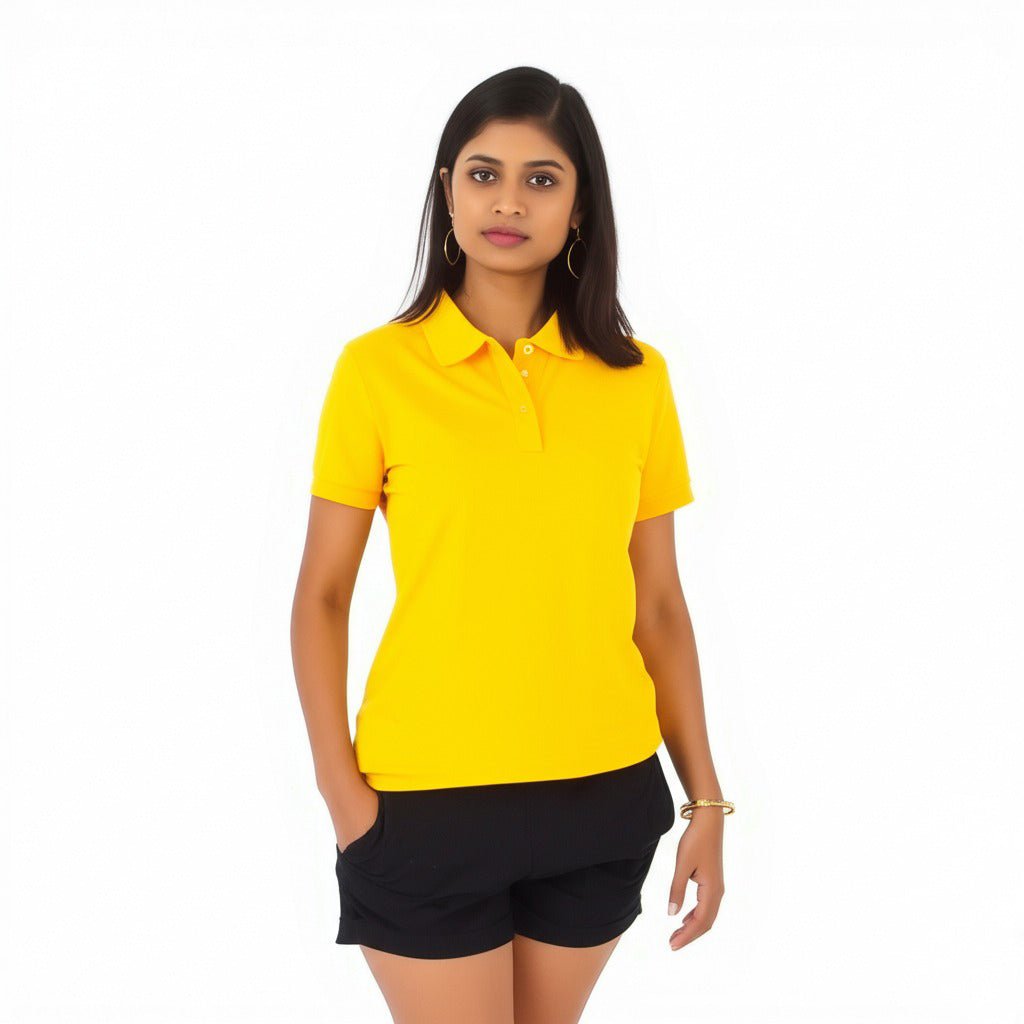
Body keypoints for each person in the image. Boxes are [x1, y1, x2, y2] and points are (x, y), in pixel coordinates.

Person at [291, 66, 732, 1024]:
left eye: (542, 179)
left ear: (580, 207)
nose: (508, 201)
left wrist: (706, 800)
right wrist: (340, 794)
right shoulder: (377, 371)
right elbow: (323, 593)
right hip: (423, 804)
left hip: (604, 799)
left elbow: (658, 605)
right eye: (484, 173)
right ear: (447, 189)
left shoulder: (637, 380)